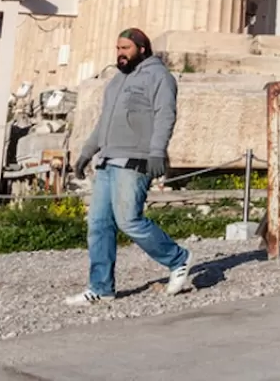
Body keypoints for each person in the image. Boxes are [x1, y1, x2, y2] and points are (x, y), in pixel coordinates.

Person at [65, 28, 191, 306]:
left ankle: (179, 259)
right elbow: (104, 122)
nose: (120, 54)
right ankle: (100, 288)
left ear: (142, 49)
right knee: (98, 225)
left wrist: (158, 152)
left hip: (136, 161)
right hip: (108, 161)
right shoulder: (116, 81)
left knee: (129, 221)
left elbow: (165, 115)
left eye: (126, 48)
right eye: (118, 48)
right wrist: (87, 151)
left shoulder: (160, 77)